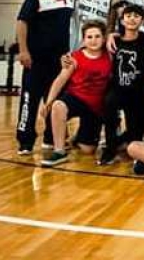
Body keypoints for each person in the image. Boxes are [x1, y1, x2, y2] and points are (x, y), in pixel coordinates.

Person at [15, 0, 76, 155]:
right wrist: (23, 50)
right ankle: (25, 141)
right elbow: (22, 21)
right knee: (29, 101)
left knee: (55, 101)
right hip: (35, 60)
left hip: (59, 61)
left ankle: (51, 138)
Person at [40, 21, 112, 167]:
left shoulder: (110, 55)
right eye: (89, 37)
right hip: (76, 98)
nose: (93, 40)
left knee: (88, 150)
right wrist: (48, 103)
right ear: (83, 40)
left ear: (104, 38)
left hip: (95, 107)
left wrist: (113, 35)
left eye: (97, 36)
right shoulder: (74, 58)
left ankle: (79, 137)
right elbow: (60, 80)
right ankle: (59, 151)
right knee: (58, 106)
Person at [98, 4, 144, 165]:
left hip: (137, 91)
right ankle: (110, 148)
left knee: (135, 137)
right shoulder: (114, 40)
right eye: (128, 16)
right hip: (117, 88)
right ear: (122, 19)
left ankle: (124, 140)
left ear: (142, 20)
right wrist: (111, 35)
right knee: (109, 105)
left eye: (136, 16)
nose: (132, 19)